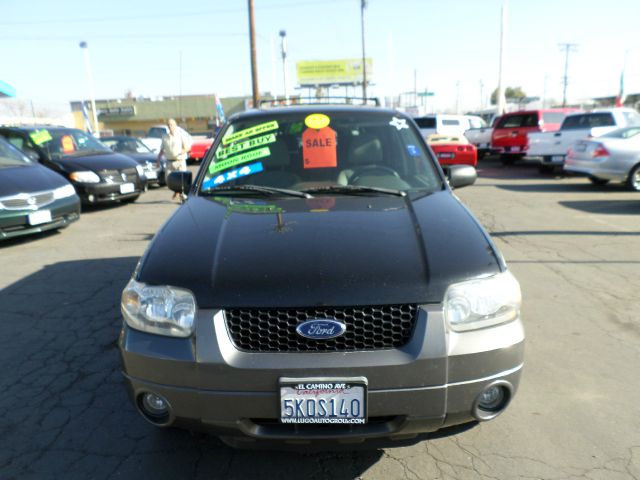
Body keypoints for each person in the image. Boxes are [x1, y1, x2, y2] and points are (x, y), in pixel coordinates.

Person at [156, 118, 192, 201]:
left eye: (171, 124)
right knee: (168, 180)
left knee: (182, 181)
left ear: (175, 125)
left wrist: (182, 151)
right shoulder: (165, 137)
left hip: (180, 161)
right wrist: (158, 160)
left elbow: (187, 147)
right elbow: (162, 150)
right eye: (168, 124)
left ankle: (183, 197)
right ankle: (176, 190)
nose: (170, 126)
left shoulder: (180, 135)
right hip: (169, 162)